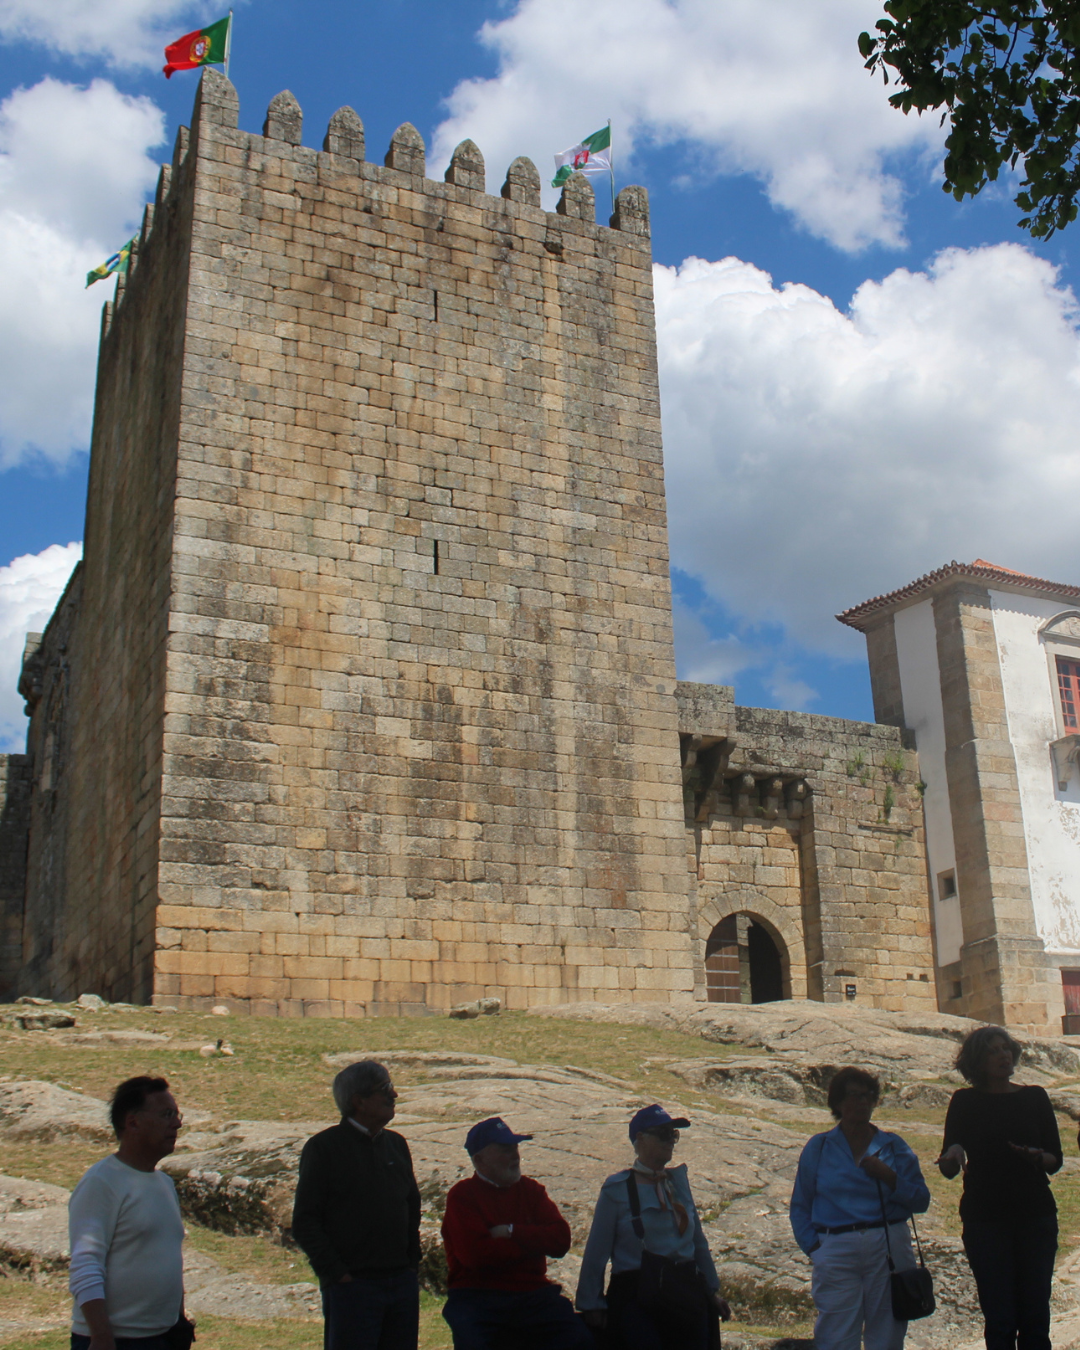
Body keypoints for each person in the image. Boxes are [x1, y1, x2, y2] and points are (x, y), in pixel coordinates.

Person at [937, 1024, 1062, 1350]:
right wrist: (952, 1154)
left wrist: (1037, 1157)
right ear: (977, 1061)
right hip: (985, 1219)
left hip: (1035, 1215)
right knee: (1000, 1318)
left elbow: (1056, 1158)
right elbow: (949, 1166)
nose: (1003, 1055)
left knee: (1035, 1316)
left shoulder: (1035, 1097)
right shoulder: (964, 1101)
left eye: (1005, 1048)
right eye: (993, 1051)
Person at [789, 1066, 930, 1350]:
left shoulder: (893, 1146)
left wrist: (889, 1177)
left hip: (888, 1243)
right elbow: (801, 1204)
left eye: (868, 1096)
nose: (863, 1102)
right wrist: (817, 1249)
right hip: (836, 1246)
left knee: (887, 1332)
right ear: (838, 1103)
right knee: (835, 1334)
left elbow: (921, 1200)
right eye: (854, 1095)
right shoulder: (819, 1146)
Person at [576, 1103, 730, 1350]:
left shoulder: (677, 1182)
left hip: (685, 1292)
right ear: (640, 1139)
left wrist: (711, 1292)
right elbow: (597, 1250)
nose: (670, 1140)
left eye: (674, 1134)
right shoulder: (617, 1188)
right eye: (663, 1134)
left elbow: (697, 1241)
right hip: (638, 1295)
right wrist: (591, 1302)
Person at [292, 1060, 421, 1350]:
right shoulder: (324, 1149)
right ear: (358, 1102)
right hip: (353, 1290)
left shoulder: (397, 1145)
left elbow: (411, 1207)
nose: (394, 1095)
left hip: (401, 1284)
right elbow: (305, 1221)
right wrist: (338, 1275)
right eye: (385, 1089)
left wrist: (411, 1265)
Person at [440, 1116, 592, 1350]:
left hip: (534, 1294)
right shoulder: (463, 1196)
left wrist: (511, 1232)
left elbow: (561, 1240)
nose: (515, 1155)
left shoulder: (531, 1190)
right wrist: (534, 1244)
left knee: (579, 1340)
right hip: (478, 1296)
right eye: (505, 1149)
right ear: (479, 1159)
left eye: (515, 1147)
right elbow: (477, 1257)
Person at [68, 1075, 190, 1350]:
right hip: (114, 1341)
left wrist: (179, 1321)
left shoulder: (164, 1184)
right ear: (132, 1121)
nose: (177, 1123)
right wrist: (100, 1336)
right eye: (167, 1114)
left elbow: (168, 1257)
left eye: (177, 1114)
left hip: (164, 1337)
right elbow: (85, 1265)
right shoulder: (102, 1182)